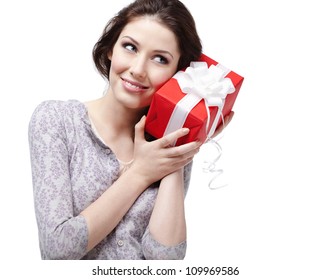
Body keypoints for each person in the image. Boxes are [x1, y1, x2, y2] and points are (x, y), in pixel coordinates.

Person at [28, 0, 233, 260]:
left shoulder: (168, 145)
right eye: (130, 47)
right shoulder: (56, 120)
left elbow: (166, 261)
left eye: (160, 59)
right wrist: (141, 173)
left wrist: (181, 142)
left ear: (178, 74)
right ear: (111, 49)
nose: (138, 70)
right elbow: (57, 250)